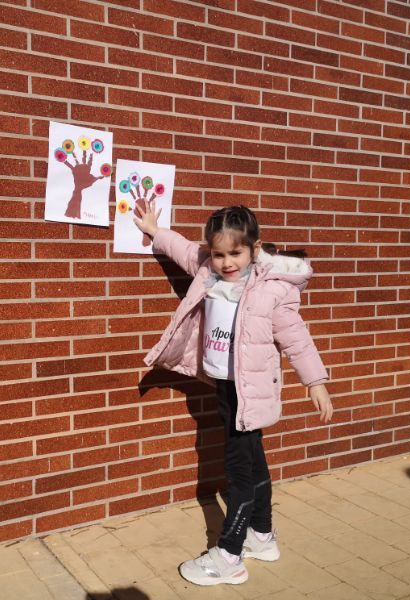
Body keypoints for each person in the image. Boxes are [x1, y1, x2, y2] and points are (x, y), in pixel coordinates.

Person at [133, 203, 333, 586]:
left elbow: (296, 337)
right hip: (225, 387)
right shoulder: (208, 270)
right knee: (253, 460)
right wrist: (155, 231)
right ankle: (263, 536)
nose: (226, 263)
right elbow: (184, 250)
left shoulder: (270, 291)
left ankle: (229, 555)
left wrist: (315, 382)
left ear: (254, 249)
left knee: (238, 471)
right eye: (219, 254)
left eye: (235, 253)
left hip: (249, 393)